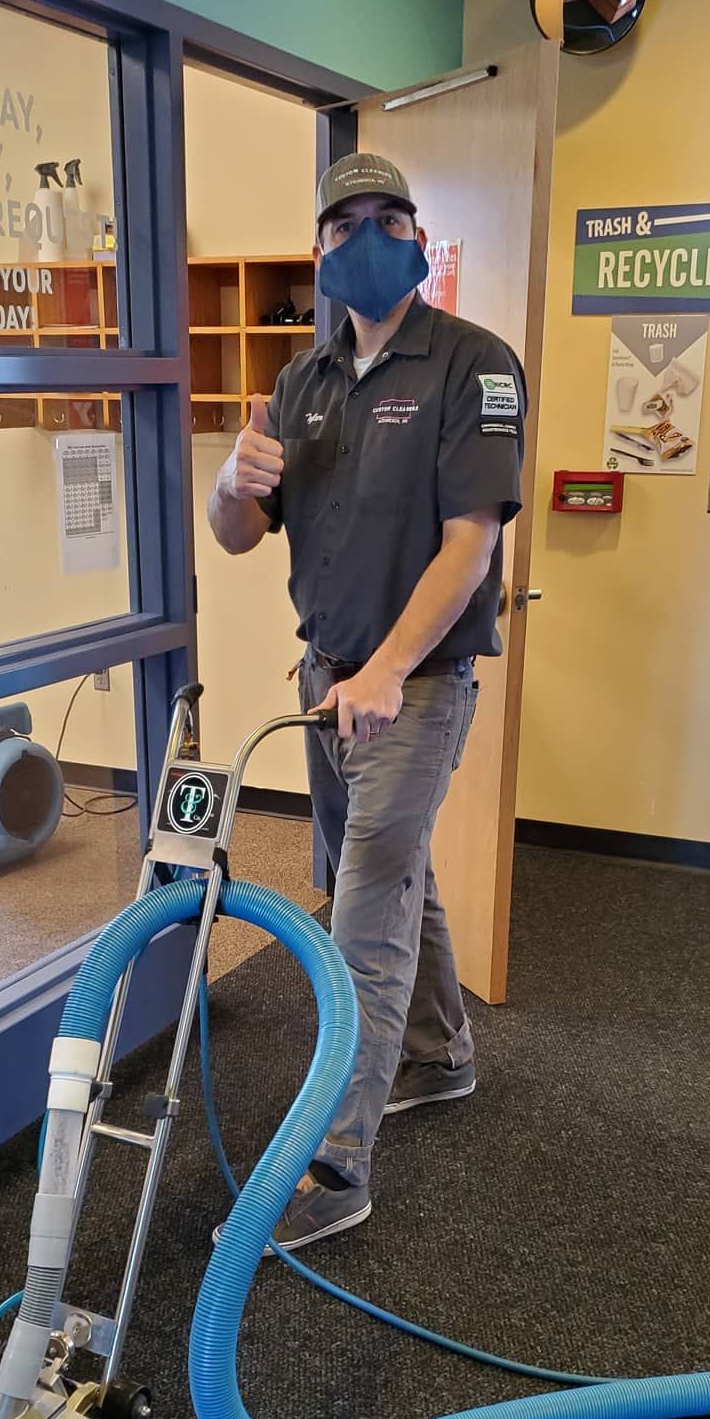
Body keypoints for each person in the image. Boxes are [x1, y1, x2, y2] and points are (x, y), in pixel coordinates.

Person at [206, 152, 528, 1249]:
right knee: (375, 881)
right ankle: (439, 1057)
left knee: (360, 924)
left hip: (415, 689)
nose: (368, 236)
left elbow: (472, 542)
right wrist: (230, 483)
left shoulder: (475, 365)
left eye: (389, 216)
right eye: (346, 223)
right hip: (325, 683)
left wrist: (389, 666)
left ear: (420, 236)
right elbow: (242, 536)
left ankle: (338, 1162)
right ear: (321, 249)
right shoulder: (302, 382)